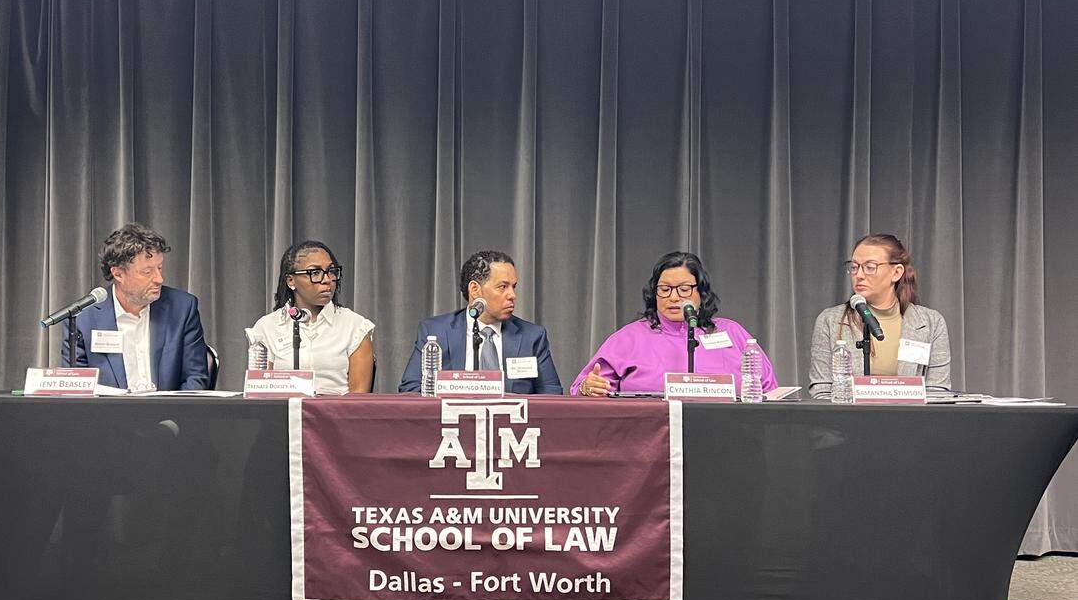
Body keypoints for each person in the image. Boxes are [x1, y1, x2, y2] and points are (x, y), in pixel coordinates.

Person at [571, 251, 777, 397]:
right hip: (647, 441)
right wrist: (588, 387)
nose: (674, 297)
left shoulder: (733, 333)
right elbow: (582, 389)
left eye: (684, 289)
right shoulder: (629, 338)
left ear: (701, 292)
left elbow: (770, 391)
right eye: (665, 289)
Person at [66, 223, 208, 391]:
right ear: (118, 274)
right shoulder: (83, 318)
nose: (159, 279)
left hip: (168, 415)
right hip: (110, 414)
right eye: (147, 272)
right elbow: (77, 389)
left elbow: (195, 378)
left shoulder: (182, 308)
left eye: (160, 268)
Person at [399, 250, 562, 394]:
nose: (512, 295)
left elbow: (552, 396)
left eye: (514, 286)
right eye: (503, 287)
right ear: (475, 289)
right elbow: (410, 389)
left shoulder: (532, 336)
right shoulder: (436, 332)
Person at [808, 233, 951, 398]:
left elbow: (938, 392)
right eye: (854, 267)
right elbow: (822, 392)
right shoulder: (830, 321)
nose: (859, 275)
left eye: (870, 267)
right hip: (848, 422)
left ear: (896, 273)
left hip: (912, 421)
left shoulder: (931, 323)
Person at [248, 240, 375, 394]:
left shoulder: (355, 326)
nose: (327, 279)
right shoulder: (267, 327)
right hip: (282, 415)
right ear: (291, 280)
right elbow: (259, 395)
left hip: (337, 415)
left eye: (331, 271)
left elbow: (359, 398)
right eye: (315, 273)